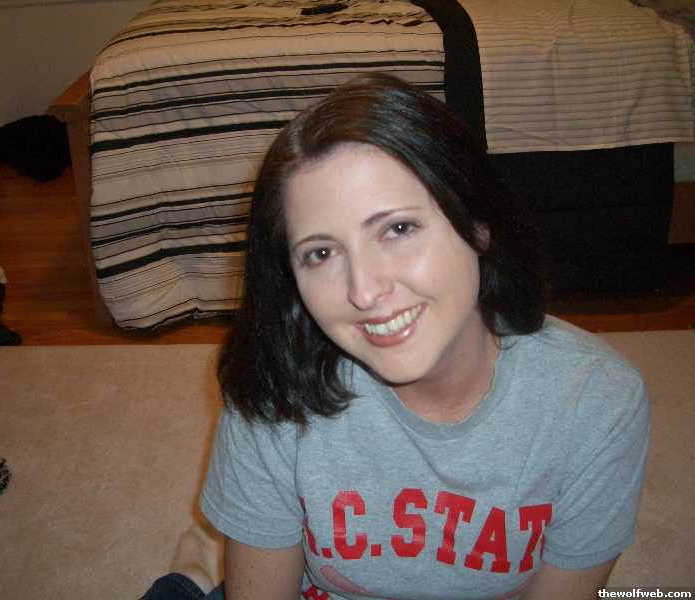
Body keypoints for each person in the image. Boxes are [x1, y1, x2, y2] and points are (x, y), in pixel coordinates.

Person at [142, 73, 650, 600]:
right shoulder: (276, 384)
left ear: (478, 224)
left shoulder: (597, 401)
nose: (364, 291)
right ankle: (194, 573)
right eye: (321, 253)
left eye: (398, 229)